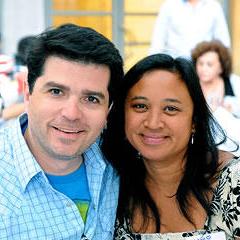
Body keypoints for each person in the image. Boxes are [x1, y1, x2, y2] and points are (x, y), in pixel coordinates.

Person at [0, 23, 124, 239]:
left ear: (108, 110)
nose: (72, 114)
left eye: (91, 99)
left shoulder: (119, 165)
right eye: (56, 91)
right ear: (28, 96)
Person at [102, 53, 240, 239]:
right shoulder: (110, 186)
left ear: (194, 121)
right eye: (140, 106)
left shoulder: (233, 182)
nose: (153, 123)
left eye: (170, 109)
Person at [191, 40, 240, 153]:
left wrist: (231, 111)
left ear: (221, 67)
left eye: (209, 64)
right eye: (200, 63)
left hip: (233, 142)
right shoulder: (191, 84)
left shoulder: (235, 83)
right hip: (202, 142)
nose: (203, 68)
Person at [149, 0, 230, 58]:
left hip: (203, 70)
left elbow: (223, 43)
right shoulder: (169, 6)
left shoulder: (214, 7)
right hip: (176, 69)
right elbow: (157, 43)